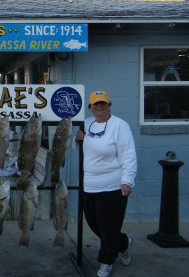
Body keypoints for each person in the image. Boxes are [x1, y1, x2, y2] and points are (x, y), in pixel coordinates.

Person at [75, 91, 137, 277]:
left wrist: (127, 181)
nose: (99, 107)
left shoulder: (120, 126)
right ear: (90, 107)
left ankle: (106, 261)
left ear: (109, 104)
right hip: (89, 185)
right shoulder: (86, 123)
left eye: (103, 103)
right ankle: (124, 243)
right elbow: (80, 149)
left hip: (112, 186)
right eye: (95, 104)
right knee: (95, 224)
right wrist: (78, 140)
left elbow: (129, 156)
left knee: (109, 227)